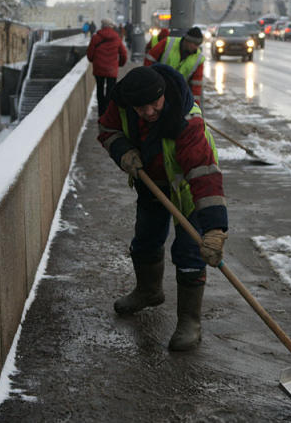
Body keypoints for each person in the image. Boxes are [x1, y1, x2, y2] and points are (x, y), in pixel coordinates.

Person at [97, 64, 228, 351]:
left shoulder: (186, 123)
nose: (148, 113)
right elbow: (106, 128)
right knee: (145, 240)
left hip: (188, 189)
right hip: (150, 180)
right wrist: (123, 151)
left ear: (163, 95)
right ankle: (149, 291)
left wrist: (215, 229)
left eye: (154, 105)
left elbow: (205, 176)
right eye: (141, 108)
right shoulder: (122, 103)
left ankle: (189, 323)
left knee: (189, 251)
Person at [144, 27, 205, 107]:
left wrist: (194, 106)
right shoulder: (168, 43)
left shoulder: (199, 59)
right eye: (195, 44)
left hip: (177, 93)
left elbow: (196, 85)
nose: (196, 48)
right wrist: (147, 81)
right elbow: (150, 59)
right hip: (157, 86)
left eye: (198, 45)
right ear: (187, 41)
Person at [87, 18, 128, 115]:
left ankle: (101, 112)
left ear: (102, 26)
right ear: (111, 27)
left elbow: (90, 54)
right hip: (111, 69)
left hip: (99, 68)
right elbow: (123, 53)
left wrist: (93, 60)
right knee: (111, 91)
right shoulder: (116, 38)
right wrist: (120, 63)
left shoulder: (96, 37)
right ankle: (108, 112)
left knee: (100, 89)